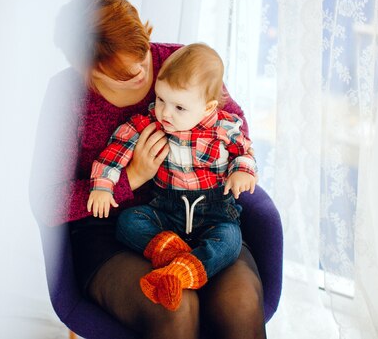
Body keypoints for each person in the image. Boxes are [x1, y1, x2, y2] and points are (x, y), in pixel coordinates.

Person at [31, 0, 267, 338]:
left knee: (241, 301)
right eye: (125, 74)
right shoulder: (68, 96)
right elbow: (46, 202)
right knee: (175, 306)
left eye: (143, 55)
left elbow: (234, 128)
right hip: (112, 233)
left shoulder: (179, 62)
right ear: (87, 69)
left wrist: (241, 167)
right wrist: (131, 177)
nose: (143, 74)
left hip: (201, 218)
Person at [87, 43, 257, 312]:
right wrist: (103, 186)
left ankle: (181, 271)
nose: (165, 112)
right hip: (166, 212)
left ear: (207, 107)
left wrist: (242, 171)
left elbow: (245, 152)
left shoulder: (224, 127)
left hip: (215, 214)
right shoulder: (151, 122)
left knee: (230, 241)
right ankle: (177, 258)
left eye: (179, 107)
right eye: (161, 100)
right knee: (129, 222)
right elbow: (117, 148)